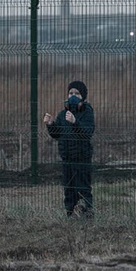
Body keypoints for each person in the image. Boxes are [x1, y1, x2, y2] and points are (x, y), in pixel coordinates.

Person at [43, 80, 95, 218]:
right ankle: (70, 214)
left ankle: (86, 214)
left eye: (77, 93)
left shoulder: (87, 113)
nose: (73, 96)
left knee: (83, 187)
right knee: (69, 188)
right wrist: (51, 124)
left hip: (82, 157)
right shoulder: (63, 114)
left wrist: (75, 122)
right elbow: (56, 134)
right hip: (67, 158)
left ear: (83, 96)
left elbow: (88, 132)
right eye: (71, 93)